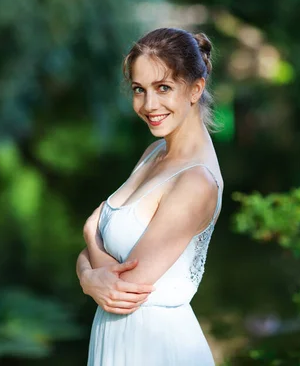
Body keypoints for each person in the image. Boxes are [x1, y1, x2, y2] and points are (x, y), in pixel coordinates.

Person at [75, 27, 223, 366]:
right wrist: (88, 277)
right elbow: (105, 276)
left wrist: (89, 237)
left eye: (163, 88)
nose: (149, 105)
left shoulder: (195, 181)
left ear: (195, 89)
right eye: (139, 90)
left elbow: (125, 287)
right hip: (119, 337)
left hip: (155, 348)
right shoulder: (155, 151)